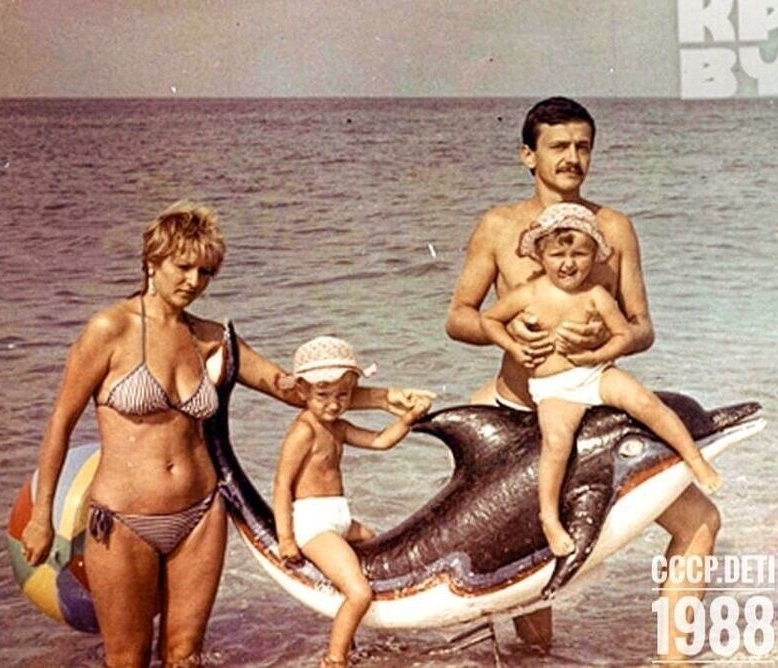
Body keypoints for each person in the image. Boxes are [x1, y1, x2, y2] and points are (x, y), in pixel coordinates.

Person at [20, 201, 435, 668]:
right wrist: (41, 517)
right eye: (183, 267)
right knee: (127, 658)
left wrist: (383, 398)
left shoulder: (214, 338)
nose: (193, 282)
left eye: (205, 272)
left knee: (185, 655)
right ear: (152, 260)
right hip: (123, 518)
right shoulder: (110, 330)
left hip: (200, 515)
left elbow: (292, 389)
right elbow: (60, 423)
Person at [445, 97, 722, 660]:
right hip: (517, 411)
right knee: (528, 583)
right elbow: (459, 317)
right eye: (558, 146)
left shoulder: (615, 228)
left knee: (700, 520)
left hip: (595, 409)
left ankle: (673, 658)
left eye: (583, 146)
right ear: (528, 155)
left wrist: (604, 339)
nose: (572, 157)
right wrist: (508, 333)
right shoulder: (498, 226)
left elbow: (643, 327)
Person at [480, 202, 722, 556]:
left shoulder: (596, 295)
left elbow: (625, 334)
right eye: (557, 254)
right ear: (540, 256)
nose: (568, 263)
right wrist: (514, 347)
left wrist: (596, 355)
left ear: (594, 256)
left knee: (645, 402)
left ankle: (695, 460)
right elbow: (489, 320)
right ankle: (549, 517)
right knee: (556, 442)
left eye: (579, 254)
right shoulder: (528, 293)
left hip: (596, 374)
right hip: (554, 387)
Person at [273, 336, 431, 668]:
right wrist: (286, 538)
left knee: (379, 546)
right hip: (313, 525)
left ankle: (367, 626)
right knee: (359, 591)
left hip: (338, 517)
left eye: (343, 395)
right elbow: (282, 485)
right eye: (323, 395)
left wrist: (407, 419)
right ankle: (335, 658)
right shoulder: (304, 431)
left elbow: (380, 441)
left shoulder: (339, 427)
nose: (333, 404)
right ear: (302, 391)